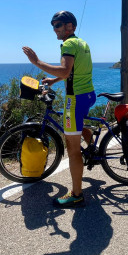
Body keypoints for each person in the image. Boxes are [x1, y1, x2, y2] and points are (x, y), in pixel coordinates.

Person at [22, 11, 96, 208]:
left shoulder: (69, 44)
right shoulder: (82, 43)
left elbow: (65, 70)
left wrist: (36, 62)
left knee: (72, 149)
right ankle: (93, 148)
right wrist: (54, 80)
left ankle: (77, 195)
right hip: (88, 94)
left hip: (76, 98)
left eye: (58, 25)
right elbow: (74, 71)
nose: (54, 28)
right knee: (77, 128)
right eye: (53, 25)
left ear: (69, 26)